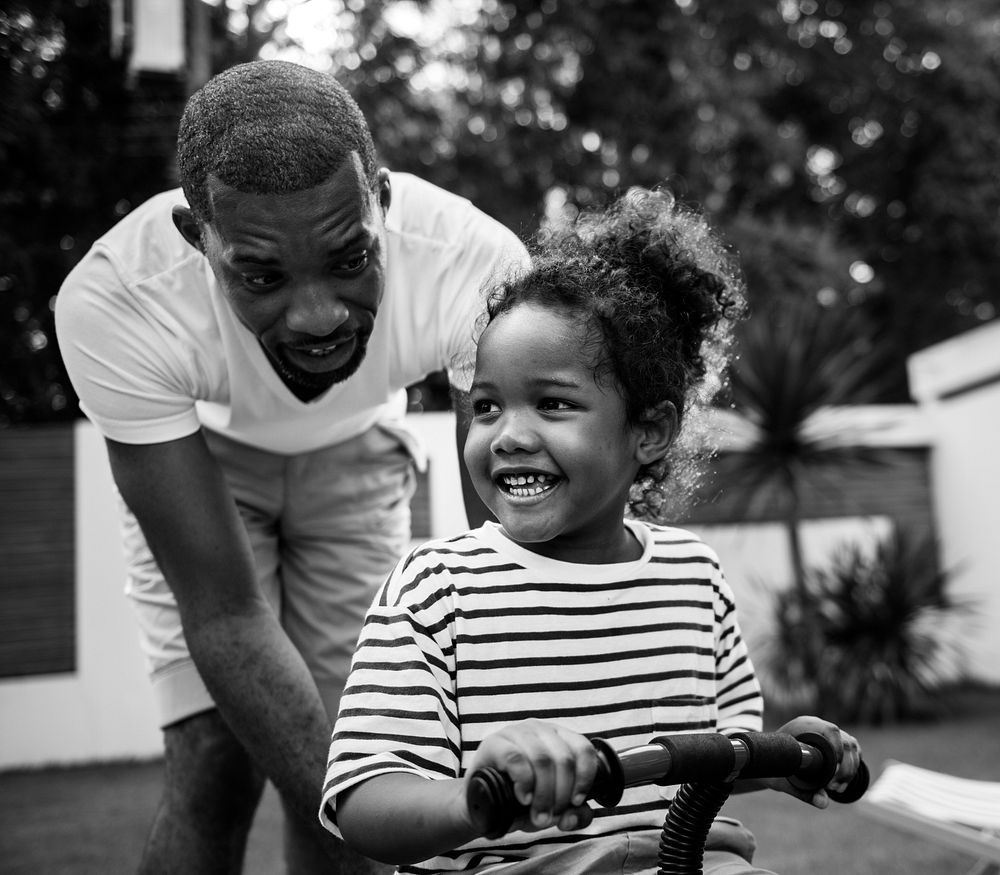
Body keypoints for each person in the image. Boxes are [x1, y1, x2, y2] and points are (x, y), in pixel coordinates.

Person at [54, 60, 529, 874]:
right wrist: (381, 819)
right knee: (217, 765)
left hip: (357, 461)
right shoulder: (116, 301)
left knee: (362, 735)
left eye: (350, 260)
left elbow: (507, 569)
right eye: (263, 276)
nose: (316, 315)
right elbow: (226, 613)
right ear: (196, 238)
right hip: (204, 459)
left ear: (381, 199)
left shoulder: (473, 267)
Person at [319, 187, 864, 874]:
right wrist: (479, 796)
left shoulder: (693, 578)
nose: (508, 435)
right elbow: (362, 803)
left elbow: (721, 751)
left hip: (688, 859)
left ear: (649, 430)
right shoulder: (435, 591)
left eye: (552, 403)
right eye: (486, 406)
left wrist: (781, 756)